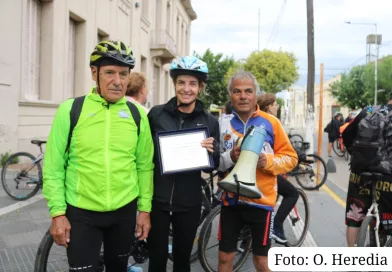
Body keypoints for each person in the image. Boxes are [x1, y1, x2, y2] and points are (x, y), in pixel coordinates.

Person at [43, 40, 154, 272]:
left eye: (123, 74)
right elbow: (54, 167)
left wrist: (144, 210)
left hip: (124, 212)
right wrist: (57, 213)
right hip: (81, 214)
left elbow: (144, 166)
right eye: (110, 73)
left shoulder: (136, 115)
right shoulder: (71, 110)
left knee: (118, 268)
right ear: (94, 73)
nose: (117, 81)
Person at [218, 71, 298, 272]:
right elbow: (213, 164)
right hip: (231, 202)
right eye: (237, 91)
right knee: (224, 258)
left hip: (261, 204)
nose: (243, 96)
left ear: (255, 94)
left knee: (262, 262)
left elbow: (291, 158)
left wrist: (267, 161)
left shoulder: (271, 122)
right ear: (230, 95)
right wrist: (230, 158)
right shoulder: (223, 124)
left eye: (248, 91)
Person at [147, 56, 220, 272]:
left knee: (182, 261)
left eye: (192, 84)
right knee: (157, 259)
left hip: (189, 201)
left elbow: (210, 167)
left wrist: (212, 152)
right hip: (157, 199)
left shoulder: (209, 121)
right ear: (175, 84)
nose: (186, 89)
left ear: (200, 87)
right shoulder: (156, 114)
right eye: (181, 82)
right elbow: (145, 155)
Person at [343, 95, 392, 247]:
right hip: (387, 175)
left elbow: (346, 135)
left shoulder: (368, 110)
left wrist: (358, 157)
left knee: (354, 218)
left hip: (359, 174)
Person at [257, 93, 299, 244]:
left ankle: (246, 239)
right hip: (267, 169)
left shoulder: (254, 119)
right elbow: (283, 147)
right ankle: (277, 226)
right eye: (275, 104)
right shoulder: (272, 121)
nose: (277, 107)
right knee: (293, 194)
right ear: (268, 106)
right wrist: (300, 156)